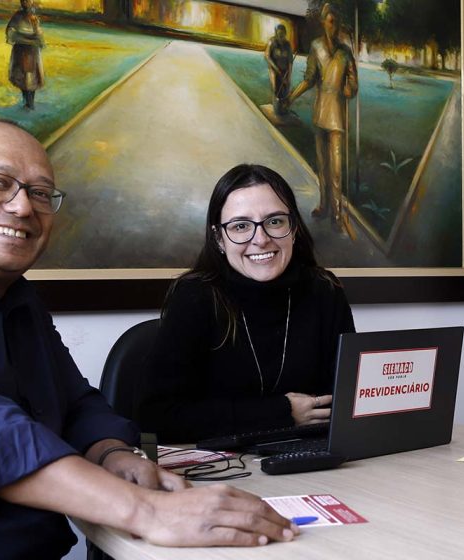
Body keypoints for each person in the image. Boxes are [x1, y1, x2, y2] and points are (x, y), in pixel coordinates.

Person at [0, 121, 297, 557]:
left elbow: (77, 403)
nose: (23, 206)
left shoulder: (17, 296)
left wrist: (113, 456)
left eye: (40, 193)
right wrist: (147, 511)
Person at [136, 163, 355, 442]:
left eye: (275, 221)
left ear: (294, 228)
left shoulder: (324, 290)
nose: (261, 239)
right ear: (219, 238)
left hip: (310, 459)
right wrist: (281, 412)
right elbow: (156, 417)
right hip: (221, 467)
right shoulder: (194, 296)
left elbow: (346, 402)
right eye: (241, 226)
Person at [285, 3, 357, 232]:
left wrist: (350, 89)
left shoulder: (346, 52)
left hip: (337, 116)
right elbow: (309, 78)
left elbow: (354, 83)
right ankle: (324, 204)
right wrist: (291, 97)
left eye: (336, 22)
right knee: (322, 165)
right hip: (320, 113)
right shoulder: (316, 47)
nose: (332, 25)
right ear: (324, 22)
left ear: (339, 25)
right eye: (329, 21)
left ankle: (337, 212)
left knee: (336, 168)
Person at [6, 0, 44, 110]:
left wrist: (33, 38)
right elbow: (10, 33)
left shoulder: (34, 18)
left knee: (32, 79)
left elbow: (39, 38)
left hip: (32, 52)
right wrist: (29, 38)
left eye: (28, 1)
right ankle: (27, 103)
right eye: (24, 1)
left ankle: (30, 104)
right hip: (21, 51)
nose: (26, 3)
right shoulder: (17, 17)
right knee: (22, 78)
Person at [264, 24, 293, 115]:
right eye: (279, 34)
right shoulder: (272, 42)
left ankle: (284, 109)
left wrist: (288, 75)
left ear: (285, 34)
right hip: (274, 70)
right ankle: (276, 108)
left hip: (285, 71)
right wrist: (276, 69)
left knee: (285, 88)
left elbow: (290, 61)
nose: (281, 36)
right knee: (276, 88)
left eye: (283, 34)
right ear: (276, 33)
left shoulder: (287, 45)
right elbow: (267, 56)